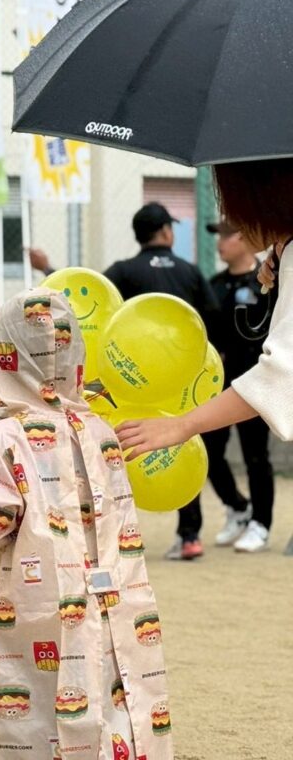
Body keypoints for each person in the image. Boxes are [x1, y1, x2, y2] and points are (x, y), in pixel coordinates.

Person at [0, 288, 172, 760]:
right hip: (117, 594)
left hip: (41, 601)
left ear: (2, 361)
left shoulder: (5, 437)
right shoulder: (99, 428)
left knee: (39, 706)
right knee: (118, 692)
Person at [118, 159, 293, 553]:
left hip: (241, 385)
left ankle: (257, 522)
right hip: (230, 383)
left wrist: (182, 425)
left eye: (231, 200)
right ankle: (237, 514)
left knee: (255, 456)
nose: (227, 219)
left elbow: (282, 376)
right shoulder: (210, 276)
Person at [103, 203, 219, 560]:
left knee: (117, 454)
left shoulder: (123, 271)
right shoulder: (189, 271)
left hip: (129, 381)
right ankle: (190, 536)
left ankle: (117, 540)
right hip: (180, 381)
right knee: (184, 446)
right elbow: (212, 319)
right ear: (167, 232)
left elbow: (97, 307)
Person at [202, 221, 274, 552]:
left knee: (255, 455)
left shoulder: (268, 280)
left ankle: (261, 522)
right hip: (216, 385)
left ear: (245, 238)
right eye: (217, 235)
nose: (220, 242)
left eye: (226, 234)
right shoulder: (213, 285)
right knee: (209, 452)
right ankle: (238, 506)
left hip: (256, 383)